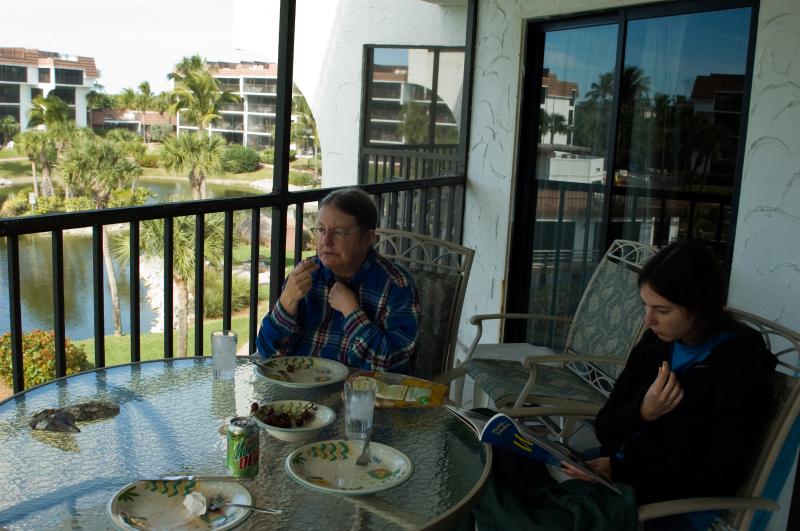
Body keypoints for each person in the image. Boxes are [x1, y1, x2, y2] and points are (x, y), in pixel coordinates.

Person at [471, 239, 776, 531]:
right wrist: (643, 411)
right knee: (480, 447)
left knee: (522, 515)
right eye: (645, 306)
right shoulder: (657, 343)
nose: (648, 320)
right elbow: (605, 426)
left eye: (662, 310)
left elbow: (718, 476)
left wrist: (620, 469)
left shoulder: (739, 364)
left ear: (700, 307)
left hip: (656, 496)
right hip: (606, 471)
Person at [256, 187, 420, 373]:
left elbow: (391, 365)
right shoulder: (307, 274)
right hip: (300, 389)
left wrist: (351, 311)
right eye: (321, 230)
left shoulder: (397, 285)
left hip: (361, 396)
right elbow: (267, 352)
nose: (325, 241)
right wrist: (287, 300)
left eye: (339, 232)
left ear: (367, 238)